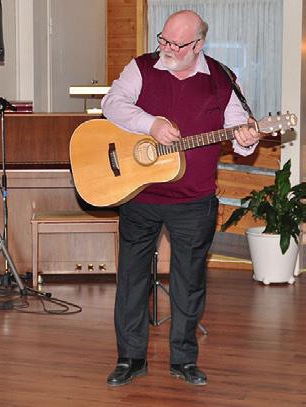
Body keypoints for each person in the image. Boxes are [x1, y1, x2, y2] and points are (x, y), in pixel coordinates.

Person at [102, 10, 260, 387]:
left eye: (177, 44)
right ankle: (130, 358)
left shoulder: (222, 79)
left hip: (194, 200)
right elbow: (112, 104)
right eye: (164, 40)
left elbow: (239, 136)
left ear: (198, 45)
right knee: (131, 280)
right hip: (140, 193)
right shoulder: (140, 68)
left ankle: (184, 360)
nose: (167, 49)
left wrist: (247, 140)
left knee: (189, 283)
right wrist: (150, 124)